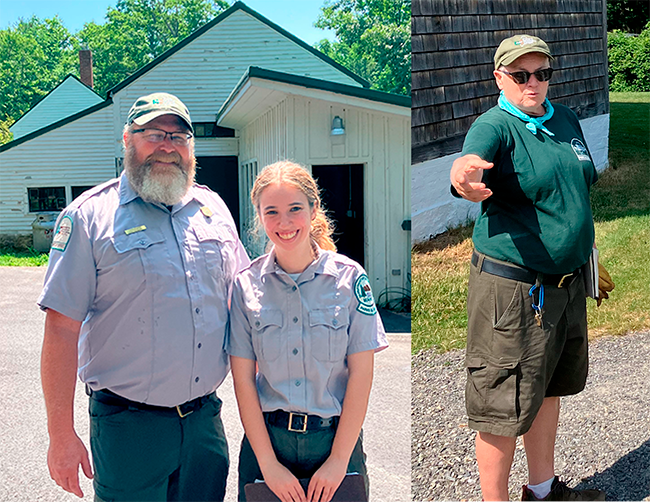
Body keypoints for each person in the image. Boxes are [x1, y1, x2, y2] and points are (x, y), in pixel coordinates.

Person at [38, 92, 249, 502]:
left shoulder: (214, 208)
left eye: (179, 136)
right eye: (153, 133)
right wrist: (61, 435)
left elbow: (245, 300)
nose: (167, 146)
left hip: (205, 422)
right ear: (127, 139)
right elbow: (61, 330)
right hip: (128, 428)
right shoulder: (88, 218)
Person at [449, 35, 606, 502]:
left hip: (566, 283)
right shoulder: (494, 126)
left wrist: (586, 256)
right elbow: (467, 165)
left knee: (547, 387)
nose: (533, 83)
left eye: (542, 73)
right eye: (520, 75)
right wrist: (464, 177)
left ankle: (542, 492)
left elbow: (574, 194)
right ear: (500, 78)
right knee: (502, 403)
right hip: (515, 291)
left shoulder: (565, 120)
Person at [227, 161, 388, 502]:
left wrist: (339, 460)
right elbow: (243, 381)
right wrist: (268, 465)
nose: (284, 223)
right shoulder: (245, 287)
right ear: (259, 215)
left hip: (334, 443)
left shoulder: (349, 279)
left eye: (295, 209)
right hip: (268, 445)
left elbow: (361, 374)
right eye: (271, 212)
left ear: (314, 209)